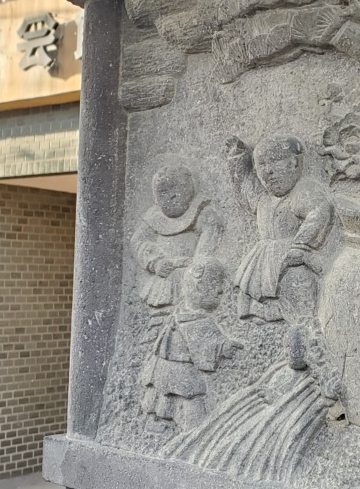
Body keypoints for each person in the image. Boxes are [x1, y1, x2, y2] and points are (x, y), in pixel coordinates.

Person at [226, 135, 334, 323]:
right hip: (264, 259)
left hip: (290, 258)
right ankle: (266, 312)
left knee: (297, 289)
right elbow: (244, 186)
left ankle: (302, 322)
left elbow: (319, 211)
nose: (268, 171)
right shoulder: (263, 199)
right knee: (258, 295)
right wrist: (238, 157)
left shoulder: (301, 192)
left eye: (276, 161)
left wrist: (300, 246)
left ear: (294, 163)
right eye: (261, 164)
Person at [141, 259, 242, 431]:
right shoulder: (196, 320)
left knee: (162, 394)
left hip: (162, 367)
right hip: (179, 370)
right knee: (189, 399)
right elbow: (205, 347)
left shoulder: (181, 312)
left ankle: (157, 421)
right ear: (199, 287)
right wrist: (223, 348)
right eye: (216, 284)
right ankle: (193, 430)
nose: (220, 291)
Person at [131, 163, 219, 307]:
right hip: (162, 280)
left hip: (191, 278)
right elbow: (137, 241)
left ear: (189, 187)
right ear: (155, 197)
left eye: (177, 188)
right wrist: (155, 262)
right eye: (163, 192)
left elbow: (206, 249)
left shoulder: (203, 214)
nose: (171, 196)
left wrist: (196, 269)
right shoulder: (154, 217)